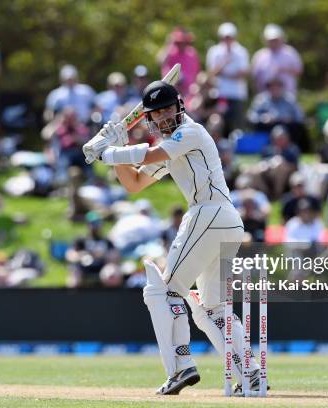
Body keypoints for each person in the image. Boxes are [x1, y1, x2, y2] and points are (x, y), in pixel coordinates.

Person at [88, 81, 263, 395]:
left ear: (180, 106)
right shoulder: (172, 145)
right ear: (151, 118)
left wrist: (106, 152)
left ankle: (181, 368)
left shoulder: (190, 133)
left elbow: (150, 153)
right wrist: (119, 149)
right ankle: (249, 375)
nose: (165, 116)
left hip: (209, 213)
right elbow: (135, 183)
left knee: (163, 292)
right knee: (211, 308)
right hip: (224, 221)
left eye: (168, 108)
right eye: (157, 113)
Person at [206, 22, 249, 138]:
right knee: (220, 124)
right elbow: (211, 72)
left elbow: (243, 73)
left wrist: (224, 73)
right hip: (220, 94)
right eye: (225, 37)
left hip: (237, 94)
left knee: (237, 125)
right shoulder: (214, 51)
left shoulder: (241, 51)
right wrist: (224, 64)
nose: (228, 40)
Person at [250, 24, 302, 96]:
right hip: (265, 97)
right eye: (271, 40)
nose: (273, 42)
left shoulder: (290, 52)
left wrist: (284, 70)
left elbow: (299, 71)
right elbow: (254, 77)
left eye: (275, 40)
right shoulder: (259, 55)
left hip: (287, 94)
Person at [158, 27, 201, 98]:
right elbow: (161, 62)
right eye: (178, 42)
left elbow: (197, 73)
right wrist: (169, 43)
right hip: (171, 91)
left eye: (184, 42)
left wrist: (196, 87)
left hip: (188, 93)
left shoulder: (192, 53)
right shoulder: (170, 52)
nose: (181, 44)